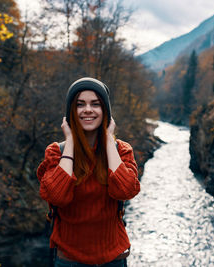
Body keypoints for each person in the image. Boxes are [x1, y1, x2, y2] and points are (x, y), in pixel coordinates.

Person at [37, 77, 140, 267]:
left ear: (105, 111)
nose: (88, 110)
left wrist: (109, 140)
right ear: (71, 112)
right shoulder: (55, 152)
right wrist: (69, 143)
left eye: (96, 104)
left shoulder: (122, 151)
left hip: (113, 259)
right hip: (69, 260)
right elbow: (57, 197)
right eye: (80, 104)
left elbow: (125, 191)